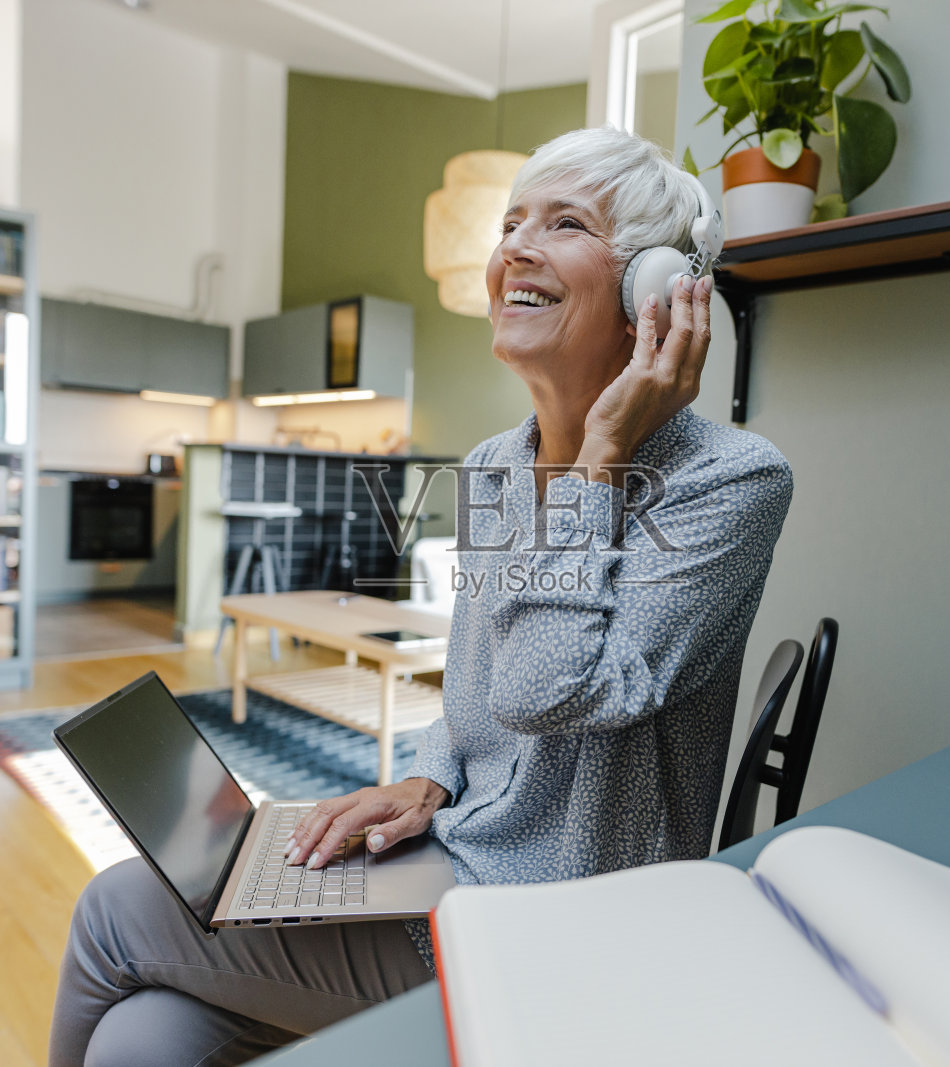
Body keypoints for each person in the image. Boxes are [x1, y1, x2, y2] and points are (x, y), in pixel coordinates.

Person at [49, 126, 794, 1067]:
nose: (515, 246)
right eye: (510, 221)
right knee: (139, 1039)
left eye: (563, 223)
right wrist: (428, 775)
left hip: (560, 921)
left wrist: (595, 458)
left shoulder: (729, 482)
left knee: (116, 910)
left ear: (652, 294)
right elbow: (478, 688)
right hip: (455, 858)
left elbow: (543, 689)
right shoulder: (492, 466)